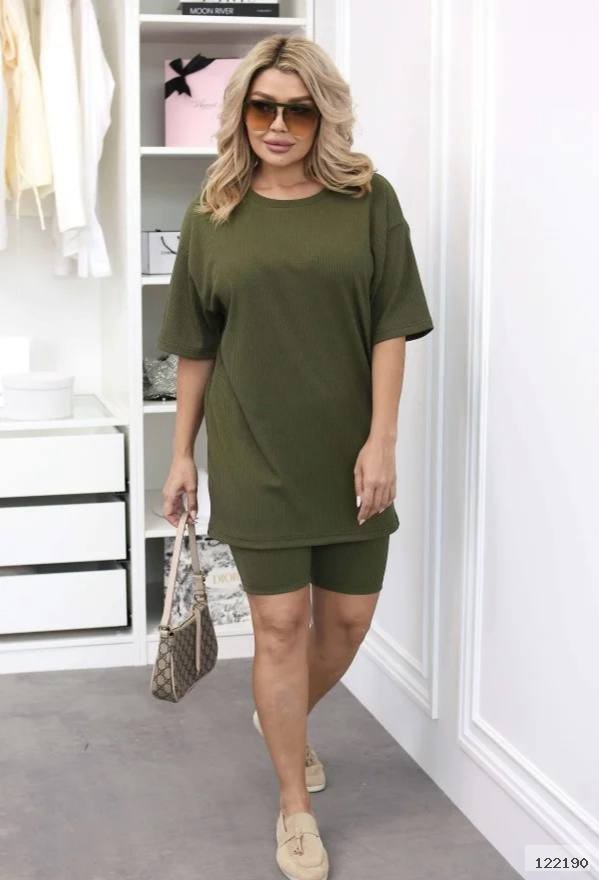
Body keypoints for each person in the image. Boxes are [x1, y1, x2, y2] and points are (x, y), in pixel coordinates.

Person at [159, 33, 434, 880]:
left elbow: (390, 326)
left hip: (350, 453)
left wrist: (381, 439)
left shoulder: (368, 201)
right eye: (262, 107)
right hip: (253, 450)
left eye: (298, 110)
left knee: (345, 623)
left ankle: (280, 717)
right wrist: (181, 455)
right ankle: (294, 807)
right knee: (279, 628)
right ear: (241, 112)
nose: (278, 125)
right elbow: (196, 347)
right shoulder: (213, 213)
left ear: (324, 117)